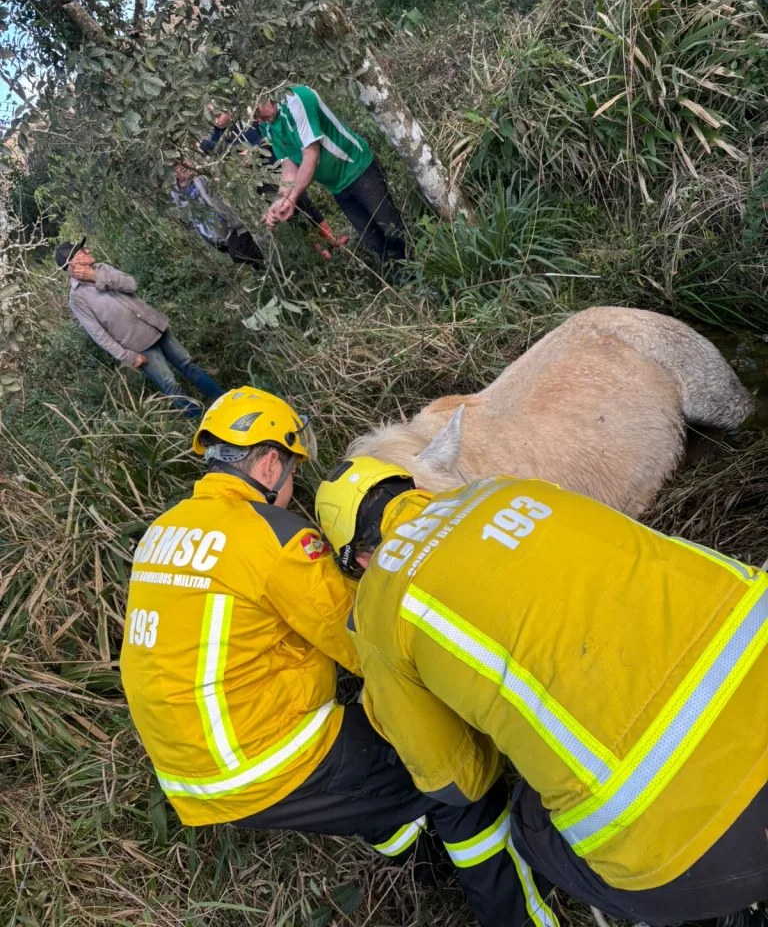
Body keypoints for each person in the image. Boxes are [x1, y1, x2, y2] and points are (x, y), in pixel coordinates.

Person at [119, 389, 520, 927]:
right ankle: (515, 913)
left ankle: (422, 868)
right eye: (292, 471)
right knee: (457, 777)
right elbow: (362, 641)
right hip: (267, 761)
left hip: (190, 767)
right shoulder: (273, 535)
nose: (292, 488)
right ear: (267, 461)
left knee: (371, 773)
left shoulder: (162, 532)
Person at [315, 457, 768, 927]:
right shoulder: (508, 488)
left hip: (697, 855)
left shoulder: (377, 607)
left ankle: (716, 914)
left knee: (533, 821)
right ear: (415, 486)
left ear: (360, 561)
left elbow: (455, 781)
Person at [56, 238, 223, 418]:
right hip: (138, 347)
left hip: (156, 326)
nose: (88, 251)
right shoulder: (77, 298)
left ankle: (224, 401)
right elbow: (99, 335)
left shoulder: (102, 269)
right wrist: (127, 356)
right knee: (170, 384)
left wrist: (95, 277)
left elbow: (130, 284)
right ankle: (202, 422)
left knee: (188, 365)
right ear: (72, 263)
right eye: (82, 250)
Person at [254, 86, 408, 276]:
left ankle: (426, 268)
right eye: (253, 118)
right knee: (373, 239)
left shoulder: (296, 100)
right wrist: (281, 200)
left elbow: (311, 156)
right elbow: (289, 167)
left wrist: (292, 199)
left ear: (262, 95)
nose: (257, 120)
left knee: (391, 228)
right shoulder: (265, 125)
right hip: (336, 187)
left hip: (358, 170)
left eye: (256, 112)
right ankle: (405, 281)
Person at [199, 107, 344, 261]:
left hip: (277, 166)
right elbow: (217, 152)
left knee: (303, 200)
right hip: (258, 180)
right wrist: (205, 144)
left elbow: (265, 134)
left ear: (228, 111)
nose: (217, 121)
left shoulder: (246, 120)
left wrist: (253, 150)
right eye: (213, 118)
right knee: (287, 213)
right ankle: (318, 248)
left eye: (218, 116)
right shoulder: (219, 136)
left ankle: (331, 238)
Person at [171, 161, 264, 267]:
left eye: (183, 164)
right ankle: (264, 264)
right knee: (240, 254)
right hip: (223, 237)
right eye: (178, 168)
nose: (184, 166)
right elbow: (175, 196)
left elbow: (217, 169)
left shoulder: (202, 178)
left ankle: (265, 259)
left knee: (241, 252)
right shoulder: (181, 198)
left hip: (234, 225)